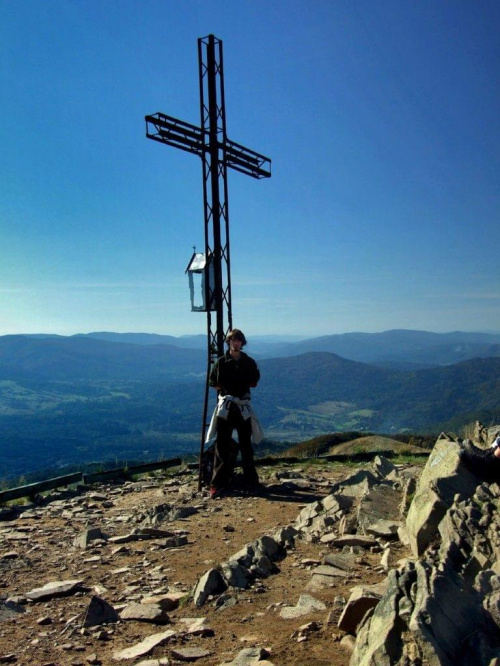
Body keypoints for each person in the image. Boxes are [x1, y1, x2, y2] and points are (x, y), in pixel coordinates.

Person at [207, 329, 262, 498]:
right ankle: (217, 484)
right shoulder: (222, 363)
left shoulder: (246, 362)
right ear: (229, 342)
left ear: (242, 343)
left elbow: (254, 382)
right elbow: (213, 382)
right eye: (233, 340)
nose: (236, 343)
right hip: (231, 406)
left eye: (238, 341)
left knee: (245, 445)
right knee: (222, 445)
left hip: (239, 406)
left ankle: (249, 481)